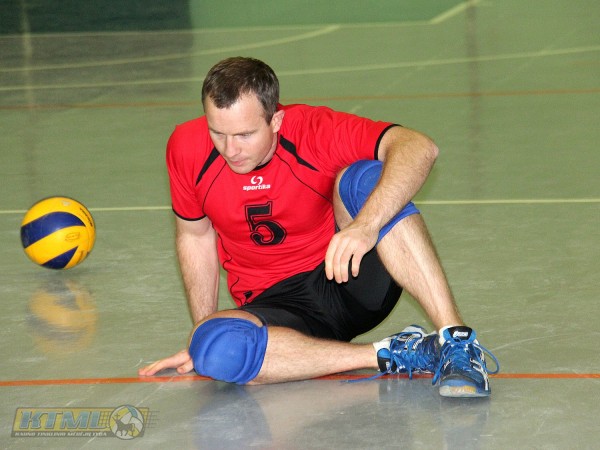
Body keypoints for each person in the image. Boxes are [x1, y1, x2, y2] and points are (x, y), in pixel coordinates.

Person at [139, 56, 499, 397]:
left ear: (276, 120)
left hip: (345, 276)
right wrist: (203, 330)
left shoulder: (314, 131)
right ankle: (395, 352)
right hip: (278, 310)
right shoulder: (186, 148)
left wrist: (366, 226)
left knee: (365, 177)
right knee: (216, 349)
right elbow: (195, 236)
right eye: (218, 132)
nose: (230, 149)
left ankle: (456, 342)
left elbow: (419, 147)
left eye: (245, 135)